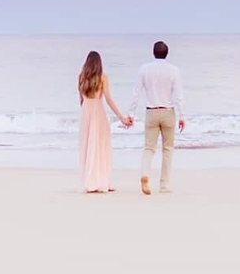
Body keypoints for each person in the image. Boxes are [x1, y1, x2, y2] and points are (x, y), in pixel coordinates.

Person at [127, 40, 185, 195]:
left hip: (151, 111)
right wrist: (182, 116)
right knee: (167, 149)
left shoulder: (144, 69)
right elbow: (179, 96)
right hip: (167, 111)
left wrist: (131, 114)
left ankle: (145, 174)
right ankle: (164, 185)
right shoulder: (174, 70)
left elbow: (136, 93)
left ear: (153, 53)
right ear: (167, 54)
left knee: (149, 148)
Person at [77, 50, 131, 194]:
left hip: (86, 113)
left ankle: (90, 180)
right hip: (98, 112)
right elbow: (108, 99)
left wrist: (86, 113)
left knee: (88, 147)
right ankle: (103, 181)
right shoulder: (102, 77)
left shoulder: (81, 77)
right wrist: (122, 118)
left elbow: (81, 100)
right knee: (101, 147)